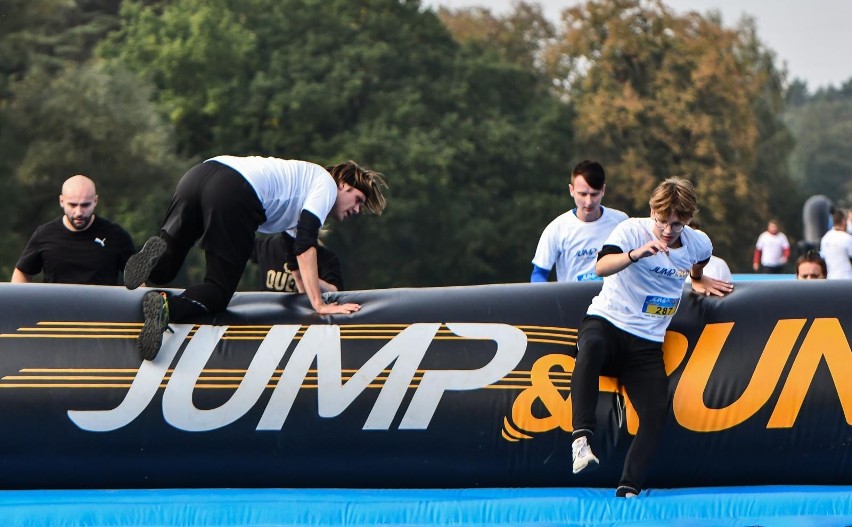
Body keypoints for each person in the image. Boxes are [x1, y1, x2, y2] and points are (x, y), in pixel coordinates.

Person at [124, 155, 387, 361]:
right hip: (233, 192)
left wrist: (308, 294)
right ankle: (165, 306)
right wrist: (320, 306)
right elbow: (307, 242)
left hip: (200, 175)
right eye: (358, 200)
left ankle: (154, 255)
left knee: (162, 272)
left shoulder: (300, 187)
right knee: (217, 291)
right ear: (343, 185)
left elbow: (295, 258)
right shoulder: (326, 185)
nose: (357, 209)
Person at [570, 177, 733, 498]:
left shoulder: (698, 242)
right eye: (662, 222)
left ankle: (629, 487)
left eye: (677, 224)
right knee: (590, 347)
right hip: (607, 322)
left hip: (645, 343)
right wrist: (635, 254)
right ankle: (581, 441)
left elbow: (698, 261)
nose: (668, 230)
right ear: (651, 212)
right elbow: (601, 266)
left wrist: (697, 280)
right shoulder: (631, 230)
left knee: (657, 411)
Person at [11, 175, 135, 285]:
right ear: (62, 201)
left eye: (85, 205)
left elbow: (137, 278)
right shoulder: (44, 235)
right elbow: (22, 273)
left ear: (95, 201)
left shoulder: (115, 235)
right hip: (55, 309)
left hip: (102, 309)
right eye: (73, 205)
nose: (79, 212)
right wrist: (21, 305)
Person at [531, 160, 628, 282]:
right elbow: (539, 273)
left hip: (613, 300)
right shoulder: (557, 228)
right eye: (582, 194)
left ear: (603, 190)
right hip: (572, 300)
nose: (588, 202)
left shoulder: (621, 222)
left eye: (594, 194)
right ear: (571, 190)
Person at [252, 232, 343, 293]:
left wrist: (309, 279)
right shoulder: (268, 246)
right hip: (269, 317)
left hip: (306, 318)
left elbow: (335, 293)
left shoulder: (326, 257)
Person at [819, 209, 852, 279]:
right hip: (847, 279)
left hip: (830, 279)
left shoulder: (825, 238)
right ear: (843, 221)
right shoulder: (847, 238)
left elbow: (822, 259)